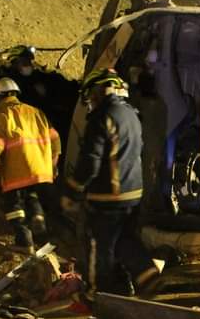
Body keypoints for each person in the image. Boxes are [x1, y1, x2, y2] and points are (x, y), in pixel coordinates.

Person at [63, 68, 160, 297]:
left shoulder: (102, 116)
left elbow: (90, 161)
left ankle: (99, 292)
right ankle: (148, 276)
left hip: (109, 195)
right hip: (133, 192)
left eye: (91, 95)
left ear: (98, 90)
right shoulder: (130, 113)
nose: (91, 102)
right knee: (124, 239)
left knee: (100, 246)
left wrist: (73, 190)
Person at [0, 77, 61, 250]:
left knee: (14, 205)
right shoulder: (36, 112)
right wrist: (53, 164)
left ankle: (24, 240)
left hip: (16, 171)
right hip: (41, 170)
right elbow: (55, 141)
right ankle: (38, 217)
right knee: (32, 195)